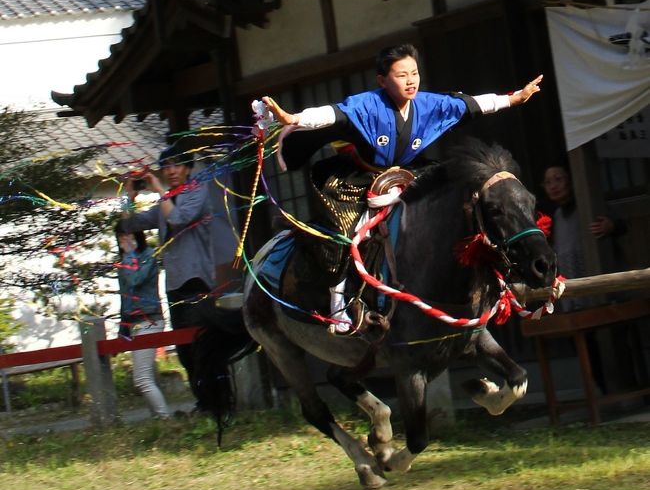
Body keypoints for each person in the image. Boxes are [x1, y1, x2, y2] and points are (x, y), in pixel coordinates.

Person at [262, 43, 543, 331]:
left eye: (414, 73)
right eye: (401, 75)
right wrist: (294, 119)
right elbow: (332, 114)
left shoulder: (427, 104)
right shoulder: (368, 105)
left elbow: (470, 105)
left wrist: (514, 99)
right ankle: (339, 303)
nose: (411, 81)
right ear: (382, 81)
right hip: (354, 178)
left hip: (407, 174)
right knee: (343, 235)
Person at [118, 143, 245, 416]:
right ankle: (203, 404)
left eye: (177, 165)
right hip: (174, 285)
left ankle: (221, 404)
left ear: (188, 168)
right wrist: (129, 197)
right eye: (166, 167)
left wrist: (158, 191)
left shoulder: (195, 192)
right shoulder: (166, 199)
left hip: (197, 281)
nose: (171, 171)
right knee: (185, 351)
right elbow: (129, 225)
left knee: (204, 346)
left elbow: (177, 219)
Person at [541, 161, 628, 312]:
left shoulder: (590, 205)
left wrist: (611, 225)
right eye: (548, 182)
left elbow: (622, 225)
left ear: (570, 179)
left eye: (558, 179)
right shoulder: (556, 216)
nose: (553, 186)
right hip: (572, 289)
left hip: (602, 285)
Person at [115, 225, 170, 420]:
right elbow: (125, 297)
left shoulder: (148, 255)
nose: (124, 242)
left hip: (150, 321)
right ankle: (158, 417)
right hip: (135, 323)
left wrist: (129, 253)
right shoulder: (124, 260)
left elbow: (135, 279)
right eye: (121, 238)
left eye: (128, 236)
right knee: (143, 377)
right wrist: (123, 329)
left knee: (142, 378)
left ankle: (164, 417)